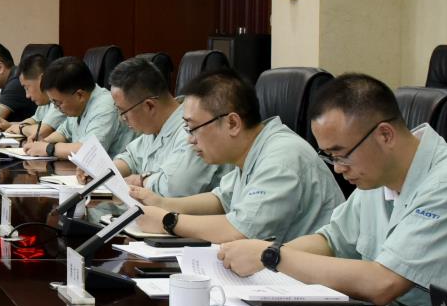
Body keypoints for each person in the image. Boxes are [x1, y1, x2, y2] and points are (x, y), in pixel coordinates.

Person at [216, 74, 447, 306]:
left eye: (342, 154)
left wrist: (272, 257)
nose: (338, 168)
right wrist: (261, 261)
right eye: (329, 156)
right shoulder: (377, 178)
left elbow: (383, 283)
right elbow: (331, 240)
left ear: (385, 134)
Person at [131, 70, 344, 245]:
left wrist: (168, 221)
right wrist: (163, 203)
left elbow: (239, 231)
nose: (190, 140)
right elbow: (221, 199)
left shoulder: (282, 156)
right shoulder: (252, 150)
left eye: (193, 128)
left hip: (308, 281)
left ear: (232, 123)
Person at [107, 57, 221, 197]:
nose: (122, 119)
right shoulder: (153, 127)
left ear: (149, 106)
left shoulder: (194, 131)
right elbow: (131, 156)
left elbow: (174, 189)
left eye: (123, 112)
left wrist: (140, 180)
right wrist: (105, 173)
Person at [20, 55, 128, 159]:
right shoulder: (77, 107)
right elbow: (63, 133)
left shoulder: (105, 107)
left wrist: (48, 148)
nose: (57, 108)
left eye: (58, 103)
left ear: (79, 95)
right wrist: (42, 143)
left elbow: (89, 150)